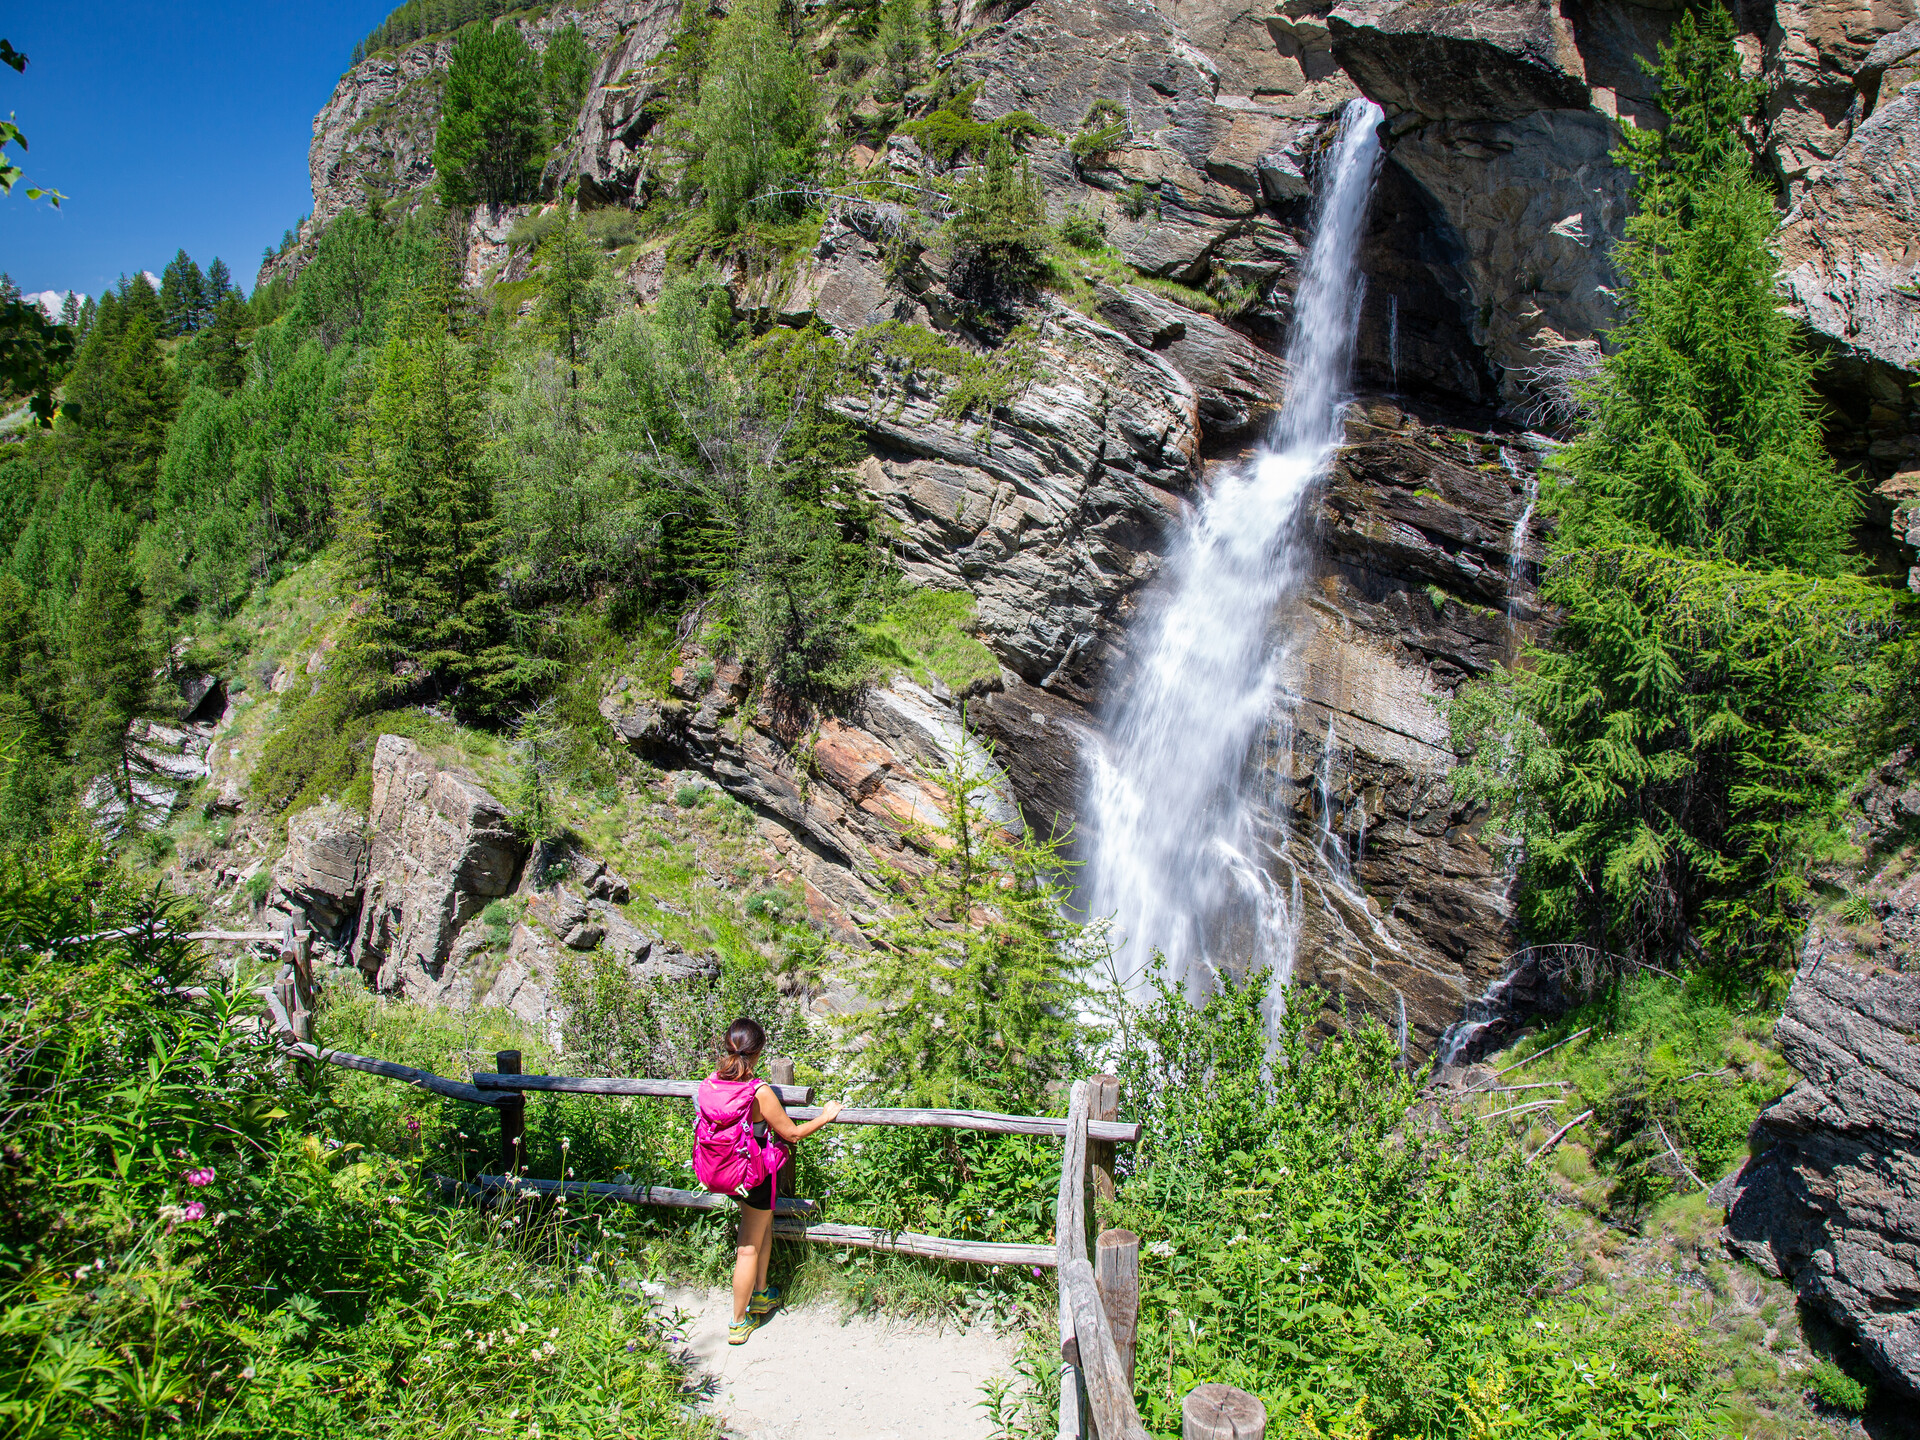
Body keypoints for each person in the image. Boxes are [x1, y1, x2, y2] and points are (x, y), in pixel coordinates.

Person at [700, 1017, 841, 1345]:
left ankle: (761, 1294)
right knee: (748, 1246)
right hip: (753, 1175)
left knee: (761, 1231)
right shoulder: (757, 1091)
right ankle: (737, 1322)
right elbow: (790, 1133)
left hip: (727, 1169)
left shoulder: (713, 1083)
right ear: (759, 1050)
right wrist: (825, 1116)